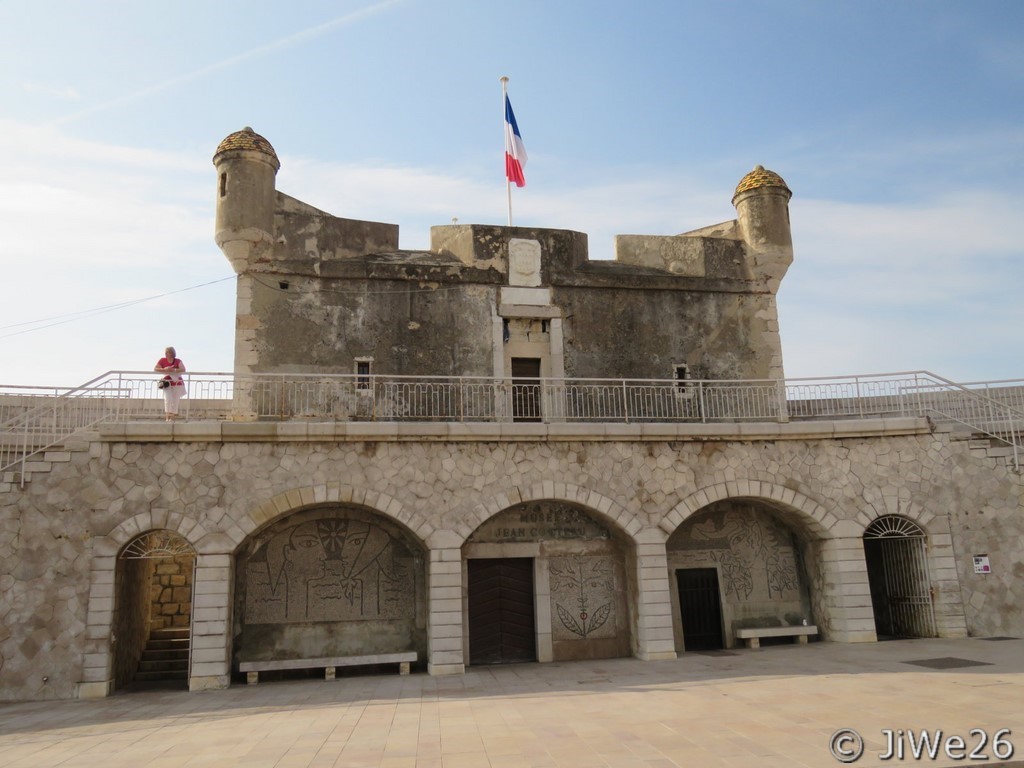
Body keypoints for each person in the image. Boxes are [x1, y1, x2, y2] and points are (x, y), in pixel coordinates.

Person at [154, 346, 186, 421]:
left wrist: (174, 370)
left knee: (175, 400)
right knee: (168, 399)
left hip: (176, 382)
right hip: (167, 382)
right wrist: (164, 369)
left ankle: (172, 416)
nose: (166, 354)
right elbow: (155, 368)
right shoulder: (162, 360)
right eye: (166, 352)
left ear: (172, 353)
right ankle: (167, 416)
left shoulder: (178, 361)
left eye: (168, 352)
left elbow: (183, 369)